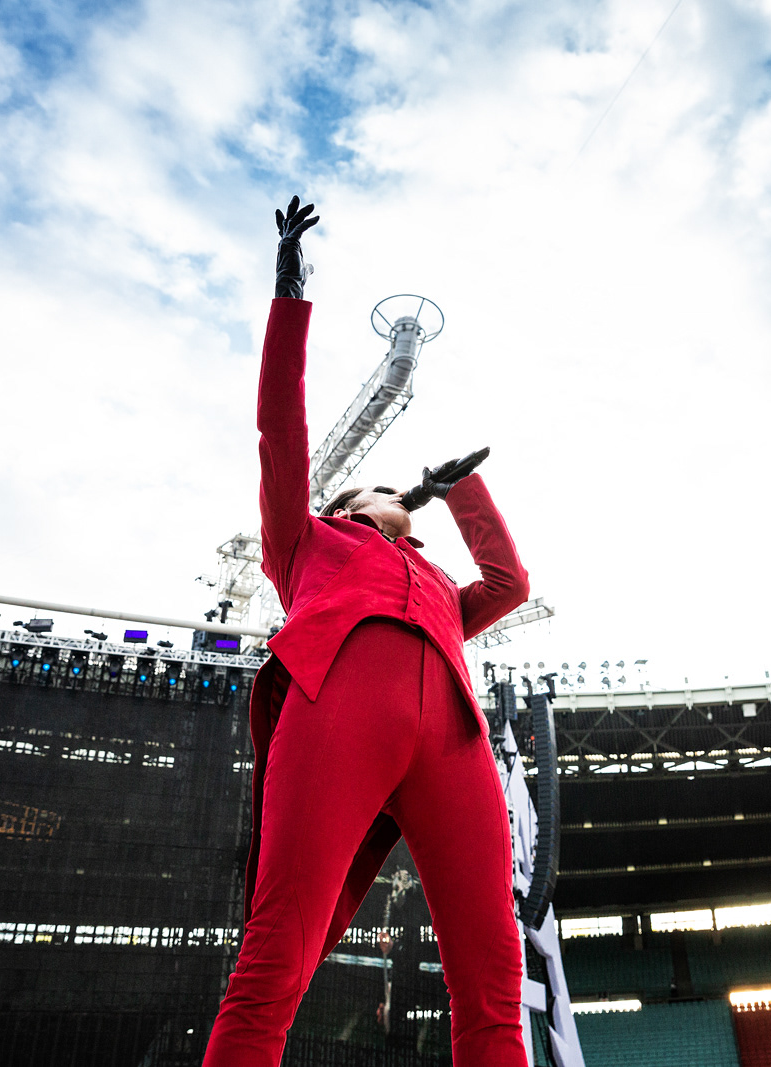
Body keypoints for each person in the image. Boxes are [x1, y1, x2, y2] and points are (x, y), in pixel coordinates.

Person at [201, 197, 531, 1066]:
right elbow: (280, 428)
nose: (392, 491)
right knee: (275, 956)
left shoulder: (440, 585)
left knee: (493, 979)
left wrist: (462, 493)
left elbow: (510, 584)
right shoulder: (306, 541)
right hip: (333, 718)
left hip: (454, 744)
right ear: (349, 505)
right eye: (379, 487)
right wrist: (290, 295)